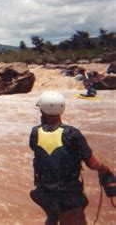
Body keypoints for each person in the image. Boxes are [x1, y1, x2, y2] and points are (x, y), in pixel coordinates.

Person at [29, 91, 112, 225]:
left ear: (43, 111)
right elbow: (91, 163)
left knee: (52, 216)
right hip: (68, 194)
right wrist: (104, 168)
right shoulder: (72, 133)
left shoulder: (35, 133)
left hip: (44, 192)